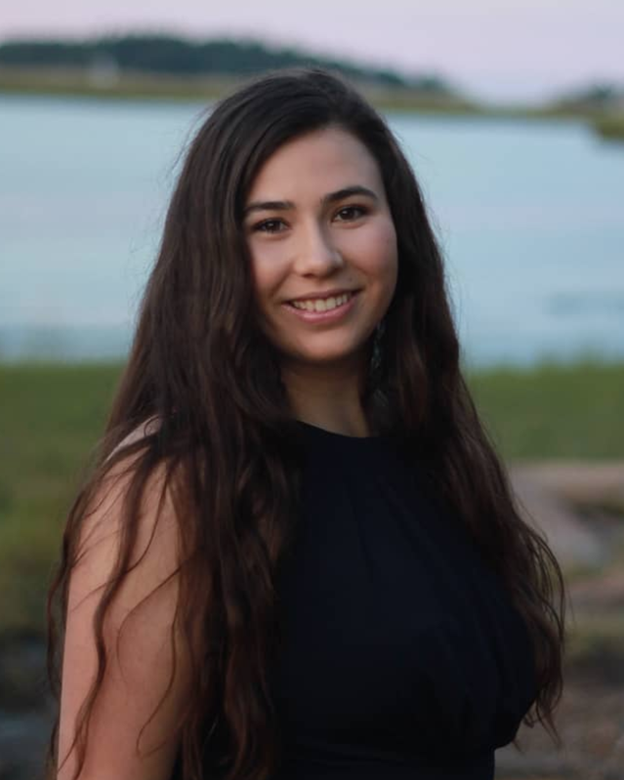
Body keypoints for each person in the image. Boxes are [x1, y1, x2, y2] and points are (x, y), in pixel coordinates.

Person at [45, 68, 565, 780]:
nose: (318, 259)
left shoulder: (432, 455)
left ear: (399, 229)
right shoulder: (173, 482)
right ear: (214, 255)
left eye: (349, 212)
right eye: (270, 225)